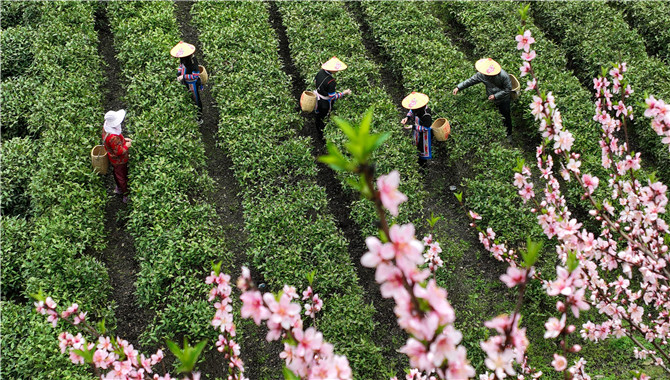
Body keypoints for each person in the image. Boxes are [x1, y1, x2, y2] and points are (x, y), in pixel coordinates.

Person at [453, 58, 513, 135]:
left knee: (506, 115)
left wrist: (495, 96)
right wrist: (458, 87)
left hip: (504, 99)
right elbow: (471, 81)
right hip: (491, 96)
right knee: (496, 113)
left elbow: (508, 89)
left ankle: (509, 133)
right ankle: (499, 128)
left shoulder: (503, 76)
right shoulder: (482, 75)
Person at [314, 56, 352, 132]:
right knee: (323, 117)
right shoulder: (331, 81)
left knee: (318, 114)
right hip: (324, 103)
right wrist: (344, 93)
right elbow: (332, 97)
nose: (337, 71)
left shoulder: (320, 72)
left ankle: (317, 125)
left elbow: (315, 81)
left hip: (317, 97)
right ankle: (321, 132)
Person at [102, 109, 131, 203]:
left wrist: (123, 140)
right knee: (121, 176)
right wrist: (126, 146)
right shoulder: (113, 137)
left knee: (117, 173)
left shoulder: (106, 127)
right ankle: (126, 195)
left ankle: (119, 188)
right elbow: (119, 151)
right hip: (119, 160)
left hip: (113, 159)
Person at [171, 41, 203, 124]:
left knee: (196, 100)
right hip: (185, 82)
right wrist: (178, 74)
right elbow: (181, 66)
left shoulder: (193, 62)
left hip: (193, 83)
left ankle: (199, 118)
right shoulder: (183, 59)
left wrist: (184, 77)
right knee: (189, 98)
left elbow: (196, 75)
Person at [401, 92, 433, 168]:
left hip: (424, 134)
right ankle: (417, 161)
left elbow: (426, 128)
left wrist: (412, 127)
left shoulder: (426, 115)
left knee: (422, 148)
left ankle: (423, 166)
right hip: (417, 131)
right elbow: (411, 111)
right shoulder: (416, 109)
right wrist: (407, 118)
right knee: (416, 146)